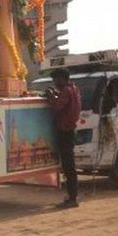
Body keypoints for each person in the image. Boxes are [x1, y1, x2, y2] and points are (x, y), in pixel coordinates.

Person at [45, 68, 81, 208]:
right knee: (69, 164)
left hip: (65, 131)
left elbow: (58, 105)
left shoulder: (66, 90)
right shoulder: (74, 89)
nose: (55, 83)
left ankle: (72, 198)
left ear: (63, 79)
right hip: (69, 130)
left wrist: (49, 95)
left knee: (68, 165)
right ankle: (72, 196)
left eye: (56, 79)